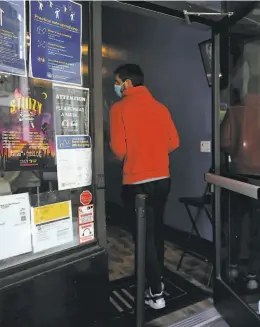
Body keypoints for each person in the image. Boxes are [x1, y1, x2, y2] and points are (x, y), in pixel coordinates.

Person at [110, 64, 179, 310]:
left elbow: (119, 150)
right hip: (163, 179)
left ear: (127, 83)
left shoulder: (119, 109)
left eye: (118, 81)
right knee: (156, 232)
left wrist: (136, 155)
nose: (116, 86)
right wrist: (154, 152)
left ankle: (156, 293)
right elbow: (174, 141)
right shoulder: (160, 108)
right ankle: (156, 281)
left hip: (137, 182)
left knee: (143, 238)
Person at [220, 76, 260, 290]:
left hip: (238, 175)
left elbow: (225, 143)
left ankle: (234, 266)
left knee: (236, 223)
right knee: (259, 227)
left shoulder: (235, 111)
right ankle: (253, 275)